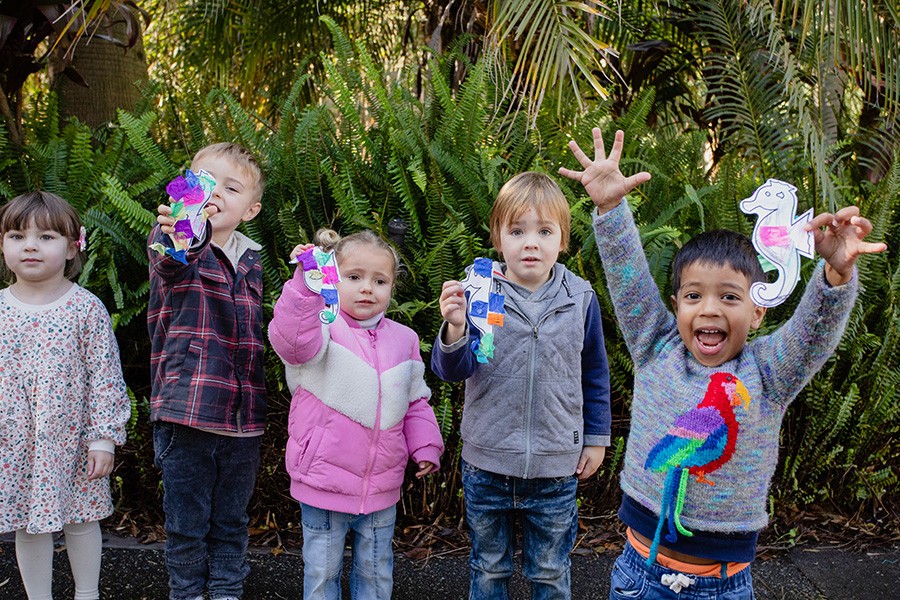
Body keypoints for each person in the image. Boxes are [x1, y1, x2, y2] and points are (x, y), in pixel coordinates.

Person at [560, 128, 886, 599]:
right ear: (676, 307)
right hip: (638, 573)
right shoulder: (656, 347)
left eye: (729, 297)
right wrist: (611, 211)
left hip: (723, 583)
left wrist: (836, 274)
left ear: (758, 311)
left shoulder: (768, 373)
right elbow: (627, 277)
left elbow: (813, 334)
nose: (709, 309)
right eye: (694, 296)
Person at [432, 171, 612, 600]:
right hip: (487, 462)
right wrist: (455, 327)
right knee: (489, 569)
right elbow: (451, 371)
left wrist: (596, 438)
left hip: (555, 465)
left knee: (550, 571)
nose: (531, 242)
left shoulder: (580, 298)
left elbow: (595, 374)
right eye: (517, 230)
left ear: (563, 240)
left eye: (544, 231)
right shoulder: (478, 292)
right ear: (498, 238)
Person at [269, 228, 444, 600]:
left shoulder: (404, 339)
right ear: (333, 277)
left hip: (382, 486)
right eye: (354, 277)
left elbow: (415, 402)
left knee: (376, 574)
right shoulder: (320, 329)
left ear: (392, 288)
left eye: (379, 280)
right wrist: (305, 284)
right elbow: (291, 342)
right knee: (322, 573)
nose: (367, 288)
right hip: (323, 483)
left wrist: (427, 446)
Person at [148, 142, 266, 600]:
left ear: (251, 209)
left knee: (232, 519)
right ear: (184, 186)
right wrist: (186, 221)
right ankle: (186, 593)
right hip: (188, 411)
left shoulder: (251, 260)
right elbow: (176, 260)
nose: (215, 193)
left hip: (243, 421)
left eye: (230, 188)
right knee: (187, 520)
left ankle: (226, 591)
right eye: (204, 182)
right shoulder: (172, 239)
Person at [0, 191, 130, 600]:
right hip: (14, 443)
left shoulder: (85, 309)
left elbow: (105, 378)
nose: (31, 246)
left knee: (81, 519)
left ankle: (86, 594)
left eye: (47, 237)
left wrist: (103, 439)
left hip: (72, 444)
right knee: (28, 523)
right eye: (17, 236)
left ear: (75, 245)